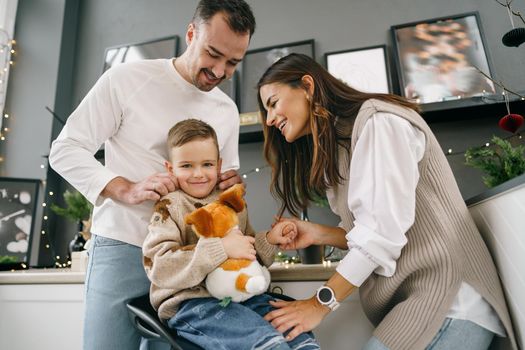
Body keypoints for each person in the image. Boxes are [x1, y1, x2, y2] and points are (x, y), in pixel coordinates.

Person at [256, 53, 518, 350]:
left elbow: (380, 235)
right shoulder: (340, 150)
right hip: (419, 302)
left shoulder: (379, 121)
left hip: (449, 300)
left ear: (307, 86)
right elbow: (374, 231)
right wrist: (317, 233)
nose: (269, 119)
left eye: (273, 103)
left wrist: (318, 305)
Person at [48, 1, 256, 348]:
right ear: (191, 33)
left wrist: (228, 187)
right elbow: (65, 149)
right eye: (213, 54)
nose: (220, 71)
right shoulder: (126, 79)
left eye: (233, 62)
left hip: (189, 258)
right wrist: (125, 188)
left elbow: (221, 182)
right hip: (123, 244)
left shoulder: (227, 111)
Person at [142, 118, 319, 350]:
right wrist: (221, 248)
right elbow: (159, 266)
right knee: (269, 345)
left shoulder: (231, 201)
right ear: (170, 168)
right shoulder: (169, 207)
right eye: (186, 166)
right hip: (192, 303)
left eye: (207, 164)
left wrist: (270, 240)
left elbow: (246, 256)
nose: (198, 174)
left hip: (243, 296)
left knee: (299, 338)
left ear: (219, 165)